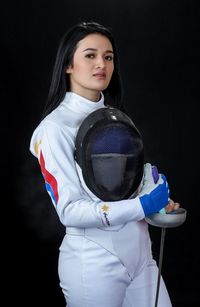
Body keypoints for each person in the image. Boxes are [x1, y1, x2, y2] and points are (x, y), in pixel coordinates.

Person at [30, 21, 180, 307]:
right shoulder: (53, 129)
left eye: (108, 57)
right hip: (94, 264)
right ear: (68, 65)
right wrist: (141, 206)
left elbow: (131, 186)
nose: (102, 64)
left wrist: (156, 199)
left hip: (141, 257)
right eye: (90, 55)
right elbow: (70, 211)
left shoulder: (117, 117)